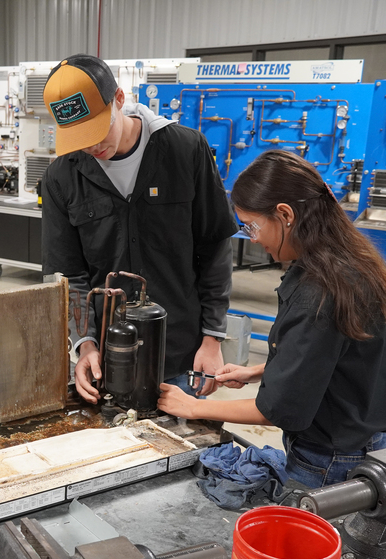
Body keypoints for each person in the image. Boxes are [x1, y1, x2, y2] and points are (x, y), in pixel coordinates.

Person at [158, 149, 386, 488]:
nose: (253, 238)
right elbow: (338, 360)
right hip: (363, 446)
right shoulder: (353, 264)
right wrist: (259, 372)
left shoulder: (318, 294)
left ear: (285, 214)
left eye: (252, 226)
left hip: (327, 462)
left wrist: (193, 407)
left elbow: (277, 409)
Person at [41, 54, 238, 403]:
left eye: (98, 130)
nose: (92, 147)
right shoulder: (61, 177)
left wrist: (212, 338)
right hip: (106, 356)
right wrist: (84, 344)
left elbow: (214, 248)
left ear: (119, 99)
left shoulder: (185, 150)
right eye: (79, 137)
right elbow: (68, 274)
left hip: (180, 354)